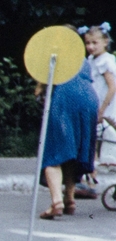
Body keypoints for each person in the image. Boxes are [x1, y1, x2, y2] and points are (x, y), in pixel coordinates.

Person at [36, 41, 100, 220]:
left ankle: (56, 202)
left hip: (65, 98)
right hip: (89, 98)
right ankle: (69, 199)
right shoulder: (83, 59)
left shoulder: (55, 58)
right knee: (73, 151)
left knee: (53, 152)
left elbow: (40, 88)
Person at [85, 24, 116, 171]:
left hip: (106, 107)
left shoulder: (105, 61)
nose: (90, 46)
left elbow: (112, 86)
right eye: (87, 43)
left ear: (105, 42)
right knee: (94, 139)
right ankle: (92, 172)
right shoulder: (92, 59)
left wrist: (102, 109)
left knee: (101, 136)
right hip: (95, 104)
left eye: (94, 43)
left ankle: (94, 169)